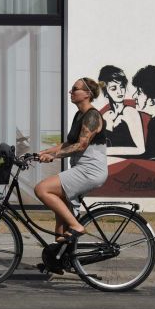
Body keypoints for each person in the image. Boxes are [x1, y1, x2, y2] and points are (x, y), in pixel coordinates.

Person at [35, 77, 108, 242]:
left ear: (87, 94)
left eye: (75, 89)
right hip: (80, 169)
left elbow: (81, 145)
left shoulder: (92, 116)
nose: (70, 92)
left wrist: (53, 156)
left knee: (42, 189)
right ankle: (60, 259)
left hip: (90, 171)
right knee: (60, 225)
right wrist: (43, 152)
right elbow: (69, 143)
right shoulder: (79, 115)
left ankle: (77, 226)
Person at [98, 65, 146, 158]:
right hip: (111, 163)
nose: (120, 92)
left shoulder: (130, 112)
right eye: (113, 88)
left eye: (122, 86)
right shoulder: (105, 116)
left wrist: (108, 151)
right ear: (105, 92)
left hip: (130, 163)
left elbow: (141, 149)